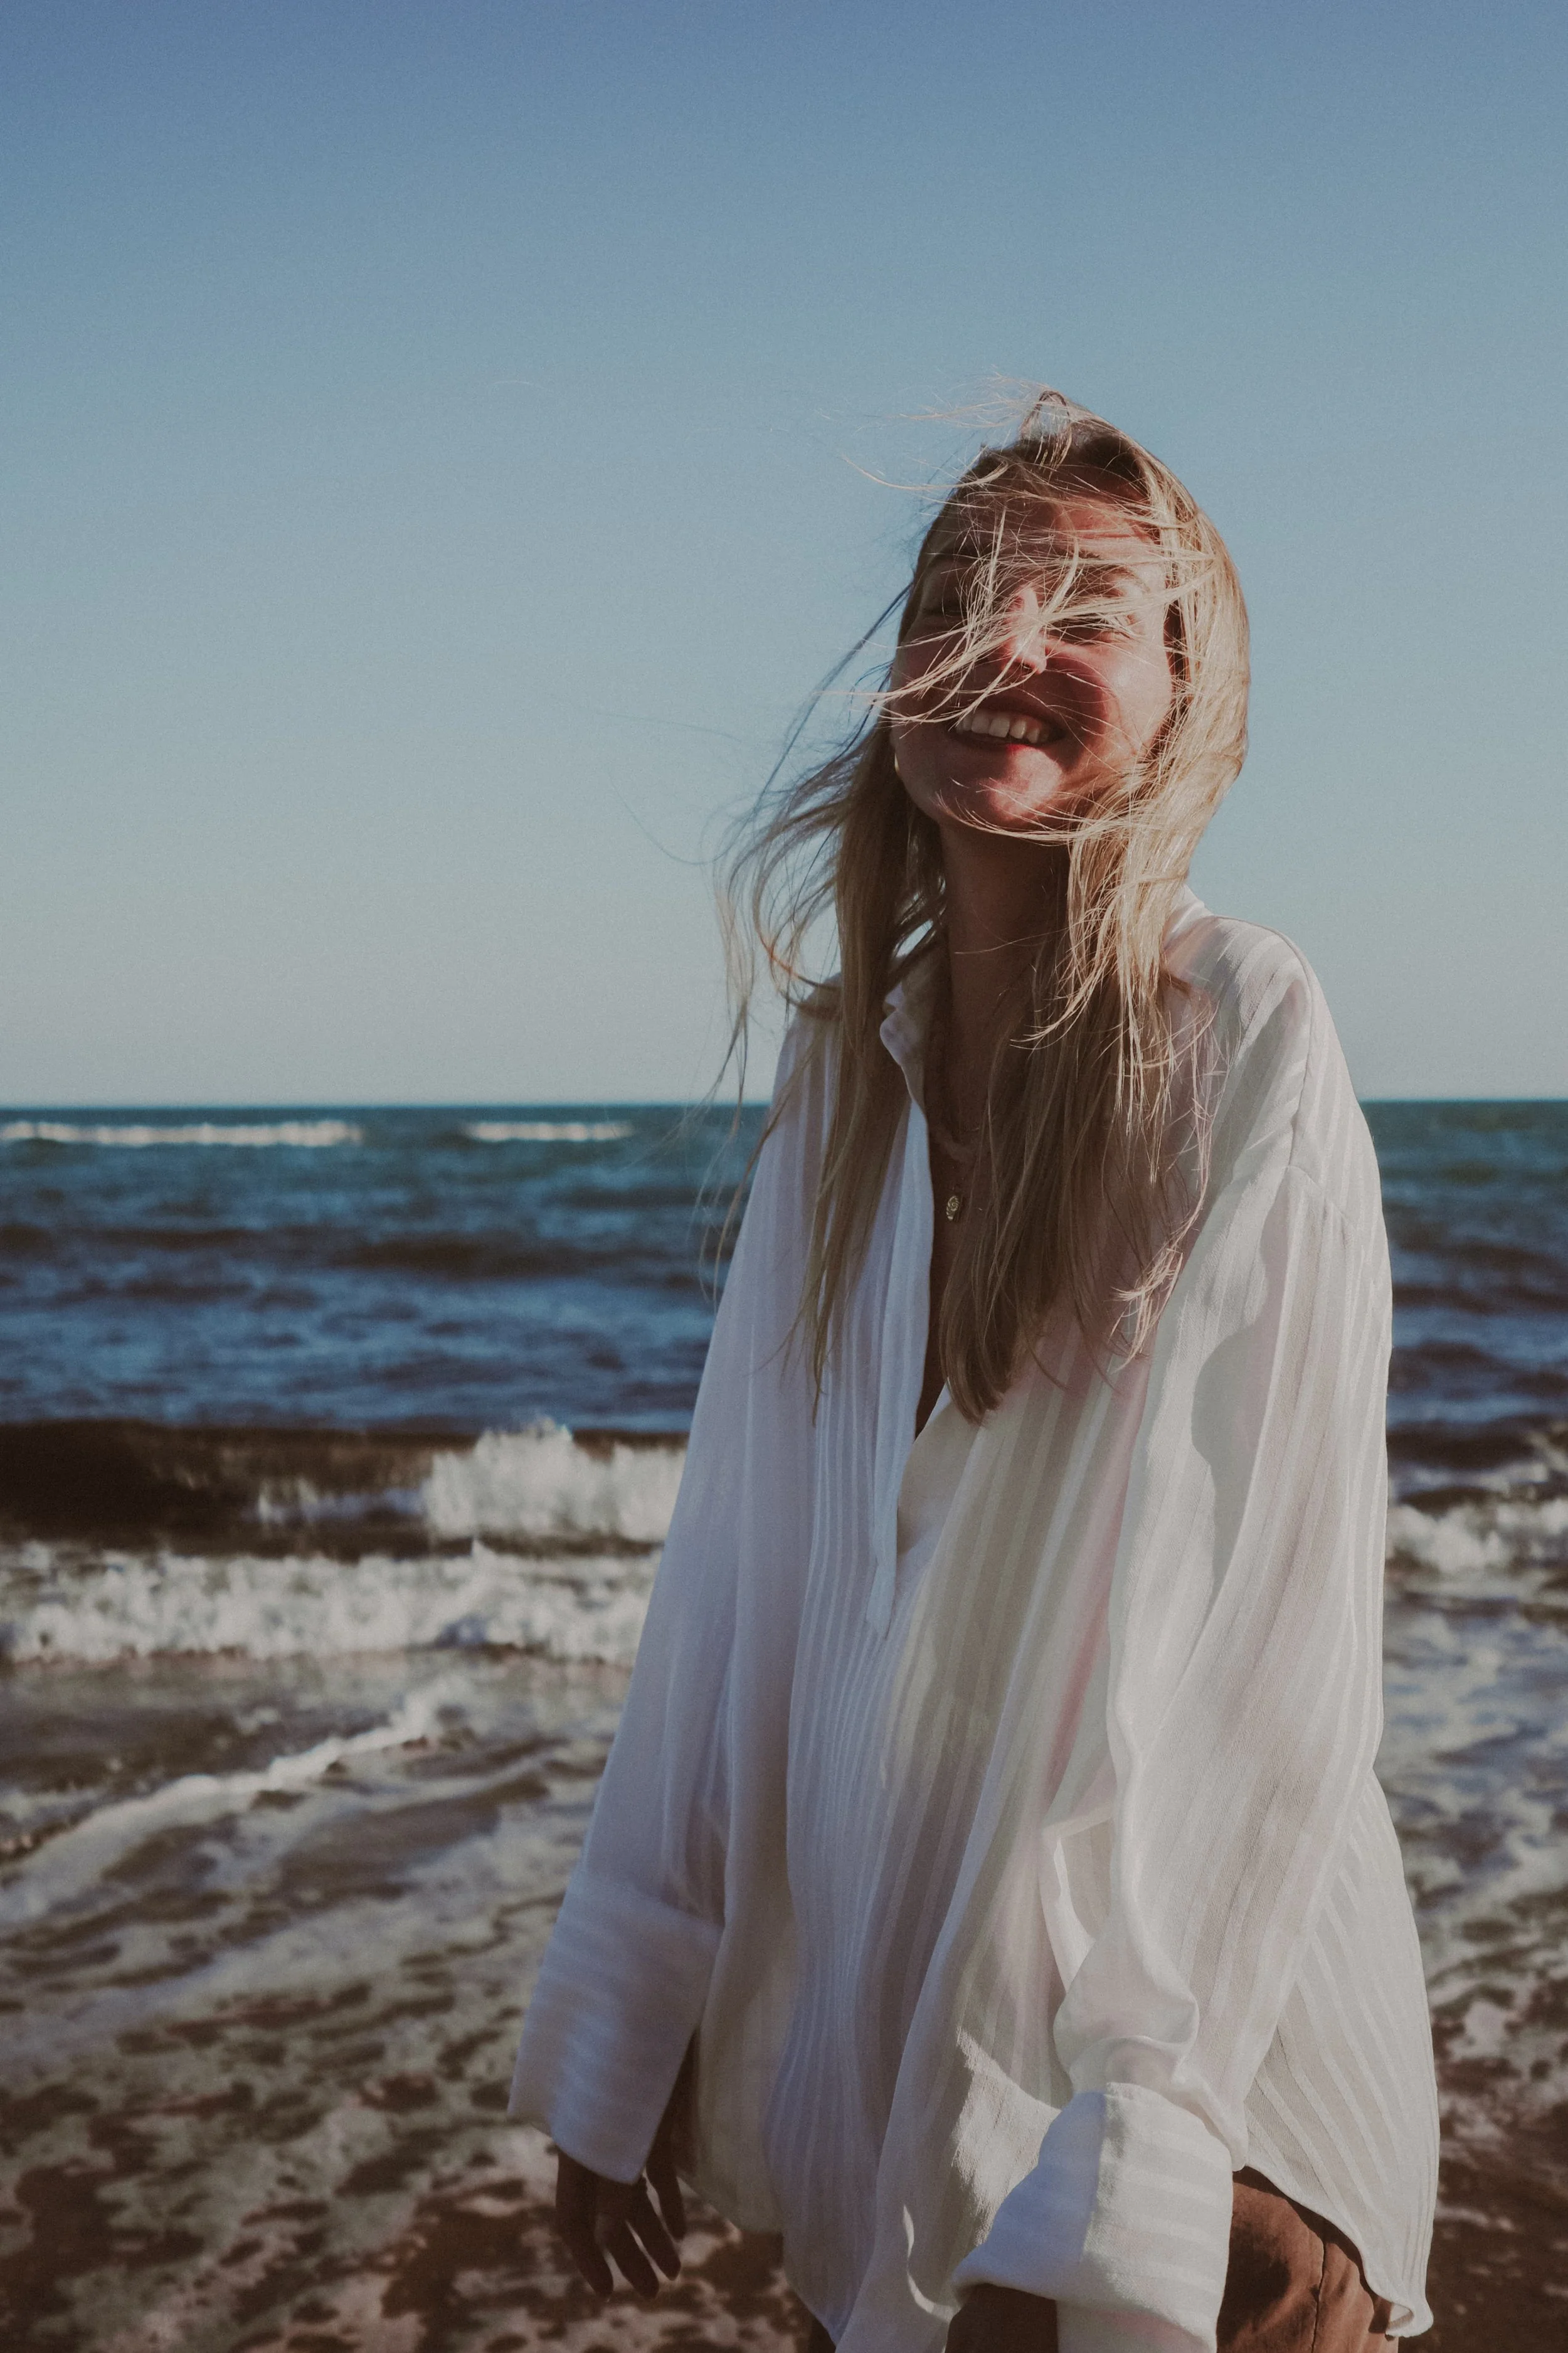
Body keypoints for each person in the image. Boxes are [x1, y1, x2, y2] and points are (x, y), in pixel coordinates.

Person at [509, 391, 1439, 2350]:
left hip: (1211, 2115)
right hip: (901, 2050)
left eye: (1086, 608)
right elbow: (732, 1572)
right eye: (963, 592)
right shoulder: (845, 1073)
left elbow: (1268, 1652)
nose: (1009, 641)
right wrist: (640, 2012)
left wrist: (1122, 2166)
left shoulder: (1243, 1030)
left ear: (1185, 692)